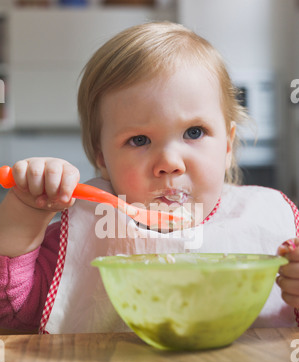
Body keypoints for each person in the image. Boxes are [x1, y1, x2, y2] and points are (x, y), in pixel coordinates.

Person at [0, 21, 298, 334]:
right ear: (102, 157)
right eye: (139, 140)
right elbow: (11, 317)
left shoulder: (266, 220)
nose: (169, 163)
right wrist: (27, 211)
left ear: (227, 145)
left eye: (194, 132)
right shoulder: (91, 228)